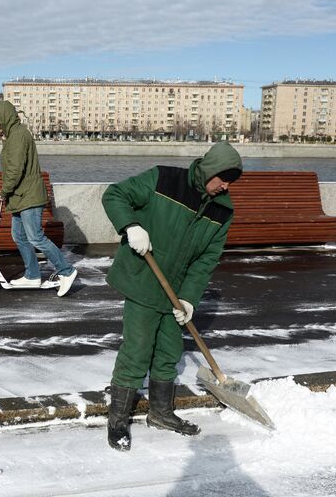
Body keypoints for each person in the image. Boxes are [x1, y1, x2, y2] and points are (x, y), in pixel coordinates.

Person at [101, 141, 243, 451]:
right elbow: (114, 194)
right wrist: (131, 225)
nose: (226, 186)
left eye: (231, 181)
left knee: (168, 353)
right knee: (137, 352)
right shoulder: (164, 179)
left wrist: (190, 298)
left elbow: (206, 259)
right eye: (223, 178)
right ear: (209, 169)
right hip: (143, 280)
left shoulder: (223, 210)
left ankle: (161, 413)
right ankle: (117, 420)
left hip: (175, 292)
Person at [0, 100, 78, 297]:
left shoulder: (18, 136)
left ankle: (67, 271)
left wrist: (4, 191)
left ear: (5, 119)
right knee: (19, 236)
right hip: (21, 196)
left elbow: (15, 169)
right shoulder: (12, 136)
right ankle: (32, 275)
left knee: (35, 236)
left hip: (28, 195)